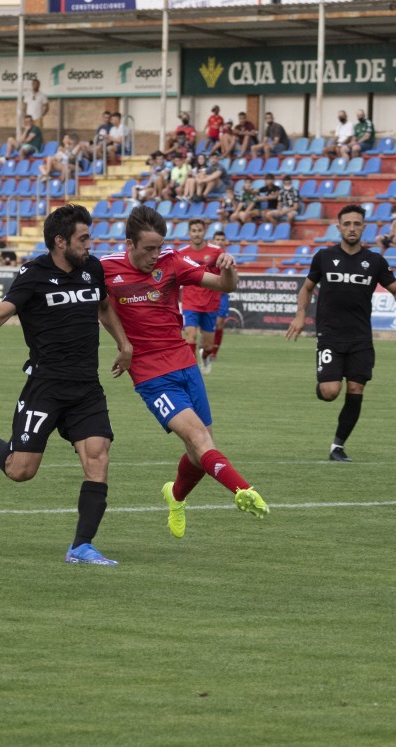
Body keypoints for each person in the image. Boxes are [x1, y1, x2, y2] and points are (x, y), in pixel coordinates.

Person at [0, 204, 132, 566]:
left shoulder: (91, 269)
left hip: (86, 388)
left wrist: (123, 344)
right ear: (60, 241)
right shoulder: (33, 275)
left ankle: (81, 546)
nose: (89, 245)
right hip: (45, 387)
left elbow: (105, 306)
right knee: (21, 471)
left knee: (98, 458)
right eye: (83, 239)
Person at [100, 206, 267, 538]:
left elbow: (224, 285)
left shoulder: (172, 262)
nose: (155, 255)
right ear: (129, 243)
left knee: (200, 450)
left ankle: (175, 495)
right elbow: (102, 307)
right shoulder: (105, 269)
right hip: (150, 375)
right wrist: (124, 345)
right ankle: (242, 490)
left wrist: (230, 269)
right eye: (148, 248)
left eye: (159, 247)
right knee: (198, 439)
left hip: (185, 364)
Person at [285, 204, 396, 462]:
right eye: (347, 224)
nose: (352, 228)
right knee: (330, 392)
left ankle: (337, 447)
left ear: (364, 228)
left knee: (356, 388)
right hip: (330, 336)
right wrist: (301, 315)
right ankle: (323, 384)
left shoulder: (375, 261)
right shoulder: (323, 257)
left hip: (360, 339)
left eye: (357, 224)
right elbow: (306, 288)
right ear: (339, 228)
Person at [178, 219, 223, 374]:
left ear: (205, 232)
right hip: (190, 302)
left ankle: (205, 355)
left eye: (199, 230)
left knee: (209, 346)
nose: (197, 234)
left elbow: (226, 272)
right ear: (189, 233)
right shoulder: (182, 253)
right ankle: (193, 373)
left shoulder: (217, 251)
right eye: (194, 231)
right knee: (190, 337)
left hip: (210, 303)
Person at [209, 230, 232, 362]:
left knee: (219, 324)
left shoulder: (228, 257)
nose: (219, 242)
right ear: (213, 241)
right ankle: (207, 344)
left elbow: (234, 275)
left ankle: (214, 353)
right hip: (210, 294)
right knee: (209, 324)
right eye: (217, 239)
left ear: (225, 242)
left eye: (222, 240)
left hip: (222, 296)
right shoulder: (210, 257)